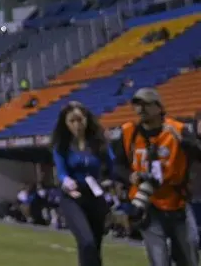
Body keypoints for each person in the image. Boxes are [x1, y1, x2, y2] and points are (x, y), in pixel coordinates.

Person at [112, 88, 201, 266]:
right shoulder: (128, 132)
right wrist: (130, 176)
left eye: (146, 104)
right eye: (137, 105)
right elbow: (116, 166)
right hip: (146, 202)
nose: (141, 109)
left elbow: (199, 153)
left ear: (159, 107)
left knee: (189, 250)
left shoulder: (178, 129)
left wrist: (183, 141)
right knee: (159, 258)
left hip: (176, 200)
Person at [51, 101, 114, 266]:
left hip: (95, 196)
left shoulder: (99, 142)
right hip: (72, 197)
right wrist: (66, 181)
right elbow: (61, 171)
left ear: (86, 119)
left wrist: (109, 183)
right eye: (72, 121)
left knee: (94, 247)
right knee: (87, 242)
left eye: (80, 120)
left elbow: (112, 165)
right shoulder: (62, 146)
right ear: (65, 123)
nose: (77, 125)